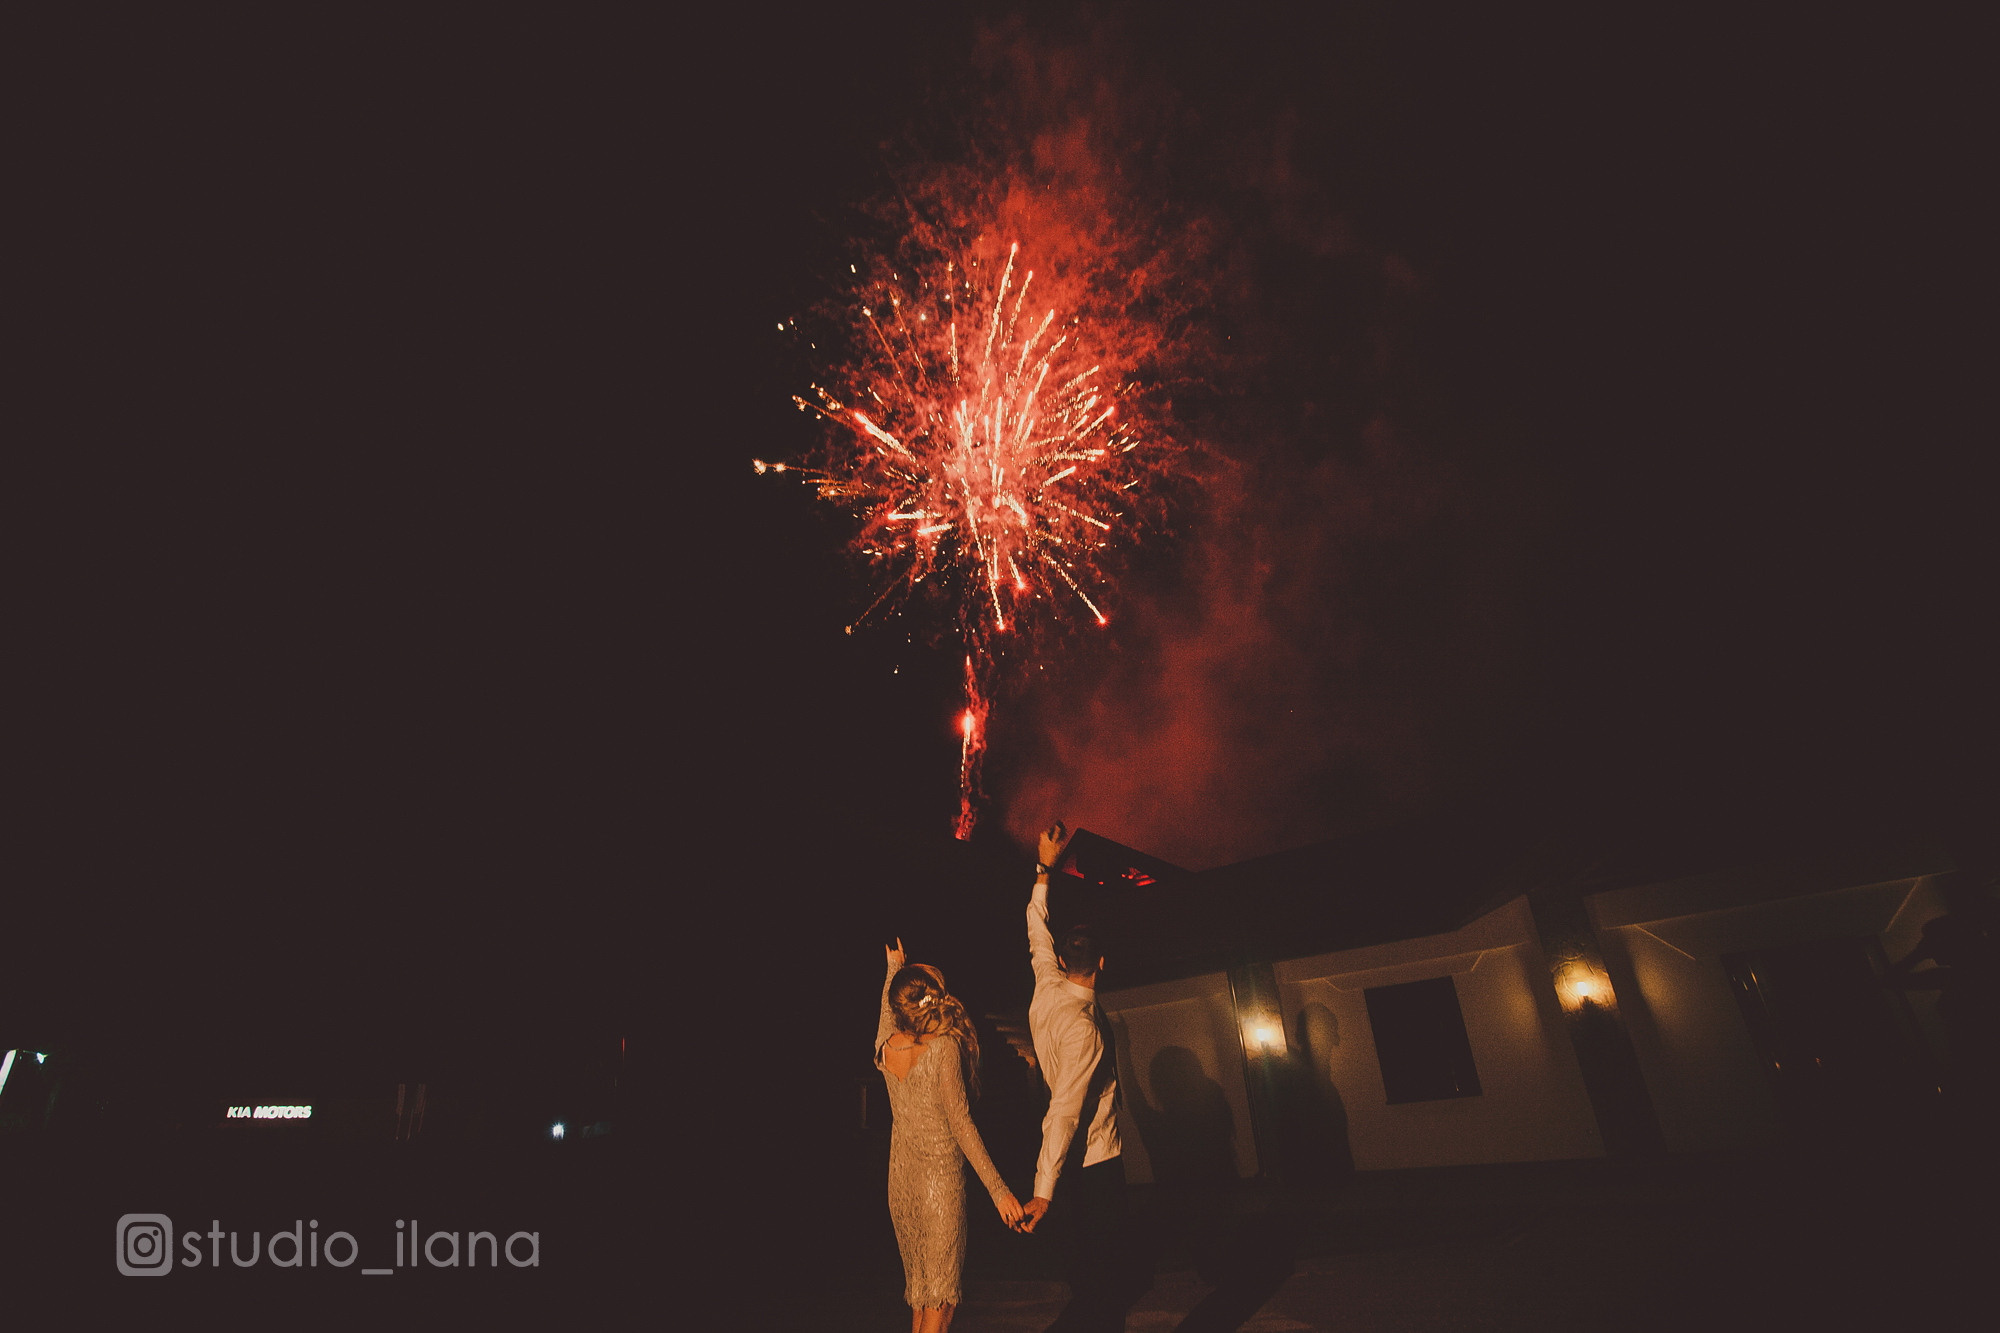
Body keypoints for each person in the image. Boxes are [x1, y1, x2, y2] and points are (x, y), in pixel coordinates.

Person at [1015, 821, 1145, 1331]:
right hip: (1096, 1161)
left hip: (1076, 1164)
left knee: (1088, 1267)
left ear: (1065, 959)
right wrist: (1042, 1190)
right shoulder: (1084, 1031)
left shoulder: (1046, 985)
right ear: (1103, 963)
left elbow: (1034, 925)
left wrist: (1045, 869)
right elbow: (1065, 1110)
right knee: (1104, 1281)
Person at [875, 938, 1023, 1333]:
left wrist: (893, 968)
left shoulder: (885, 1049)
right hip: (938, 1185)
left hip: (900, 1186)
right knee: (940, 1307)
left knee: (922, 1299)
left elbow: (886, 1019)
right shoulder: (942, 1049)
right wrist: (999, 1190)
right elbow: (961, 1124)